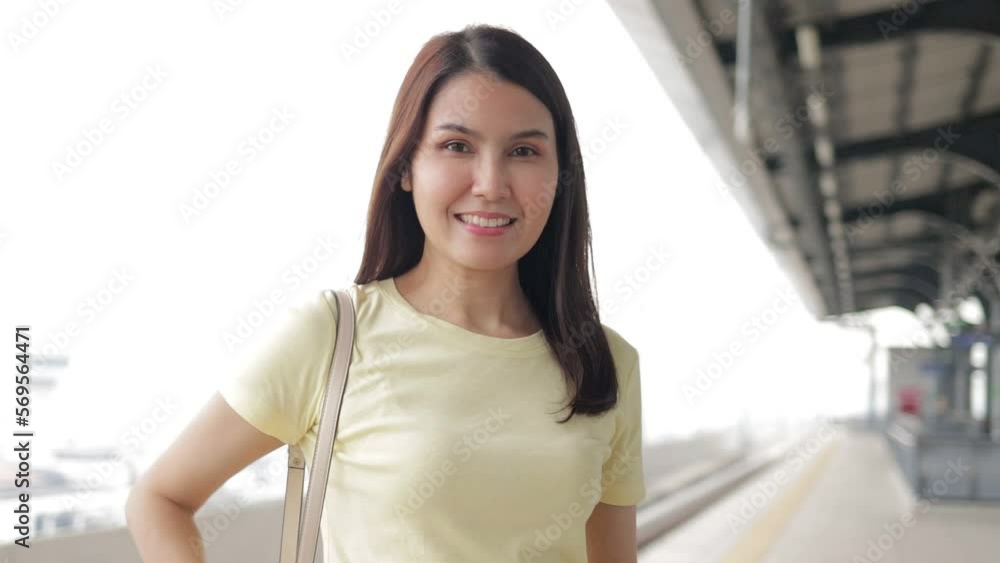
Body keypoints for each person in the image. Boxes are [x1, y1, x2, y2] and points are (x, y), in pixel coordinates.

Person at [125, 23, 645, 563]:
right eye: (457, 145)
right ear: (405, 169)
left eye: (523, 151)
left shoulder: (605, 363)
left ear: (561, 175)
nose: (491, 183)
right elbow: (160, 498)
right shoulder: (333, 336)